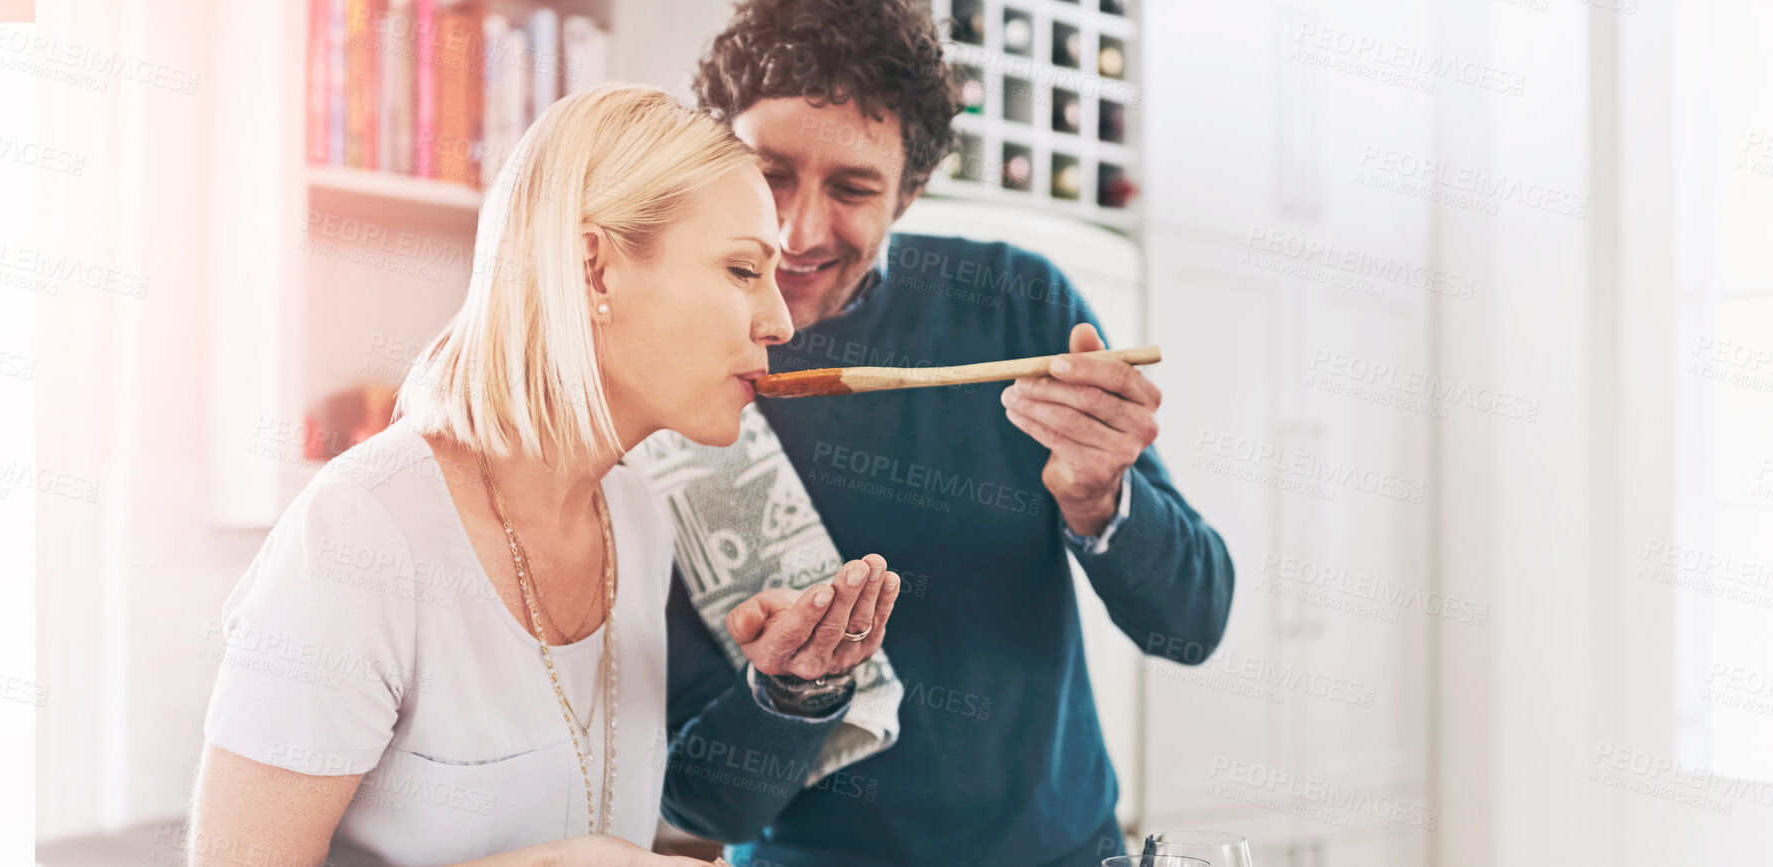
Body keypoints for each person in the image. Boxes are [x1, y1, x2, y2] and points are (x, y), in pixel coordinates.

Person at [187, 84, 903, 867]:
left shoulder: (637, 514)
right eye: (741, 269)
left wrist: (790, 687)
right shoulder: (358, 533)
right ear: (594, 269)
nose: (780, 321)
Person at [658, 2, 1237, 864]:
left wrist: (1102, 499)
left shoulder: (1018, 307)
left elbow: (1193, 623)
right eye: (769, 174)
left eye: (851, 188)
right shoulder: (670, 376)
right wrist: (794, 691)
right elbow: (702, 802)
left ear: (912, 190)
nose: (797, 231)